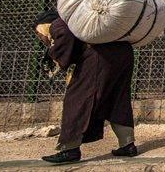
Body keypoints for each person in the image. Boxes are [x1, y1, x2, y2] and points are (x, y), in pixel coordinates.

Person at [33, 10, 138, 163]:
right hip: (123, 52)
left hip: (100, 56)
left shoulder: (58, 24)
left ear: (42, 26)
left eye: (38, 33)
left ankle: (69, 149)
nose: (40, 38)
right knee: (117, 98)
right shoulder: (82, 18)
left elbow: (65, 39)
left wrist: (53, 54)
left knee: (77, 98)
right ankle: (128, 144)